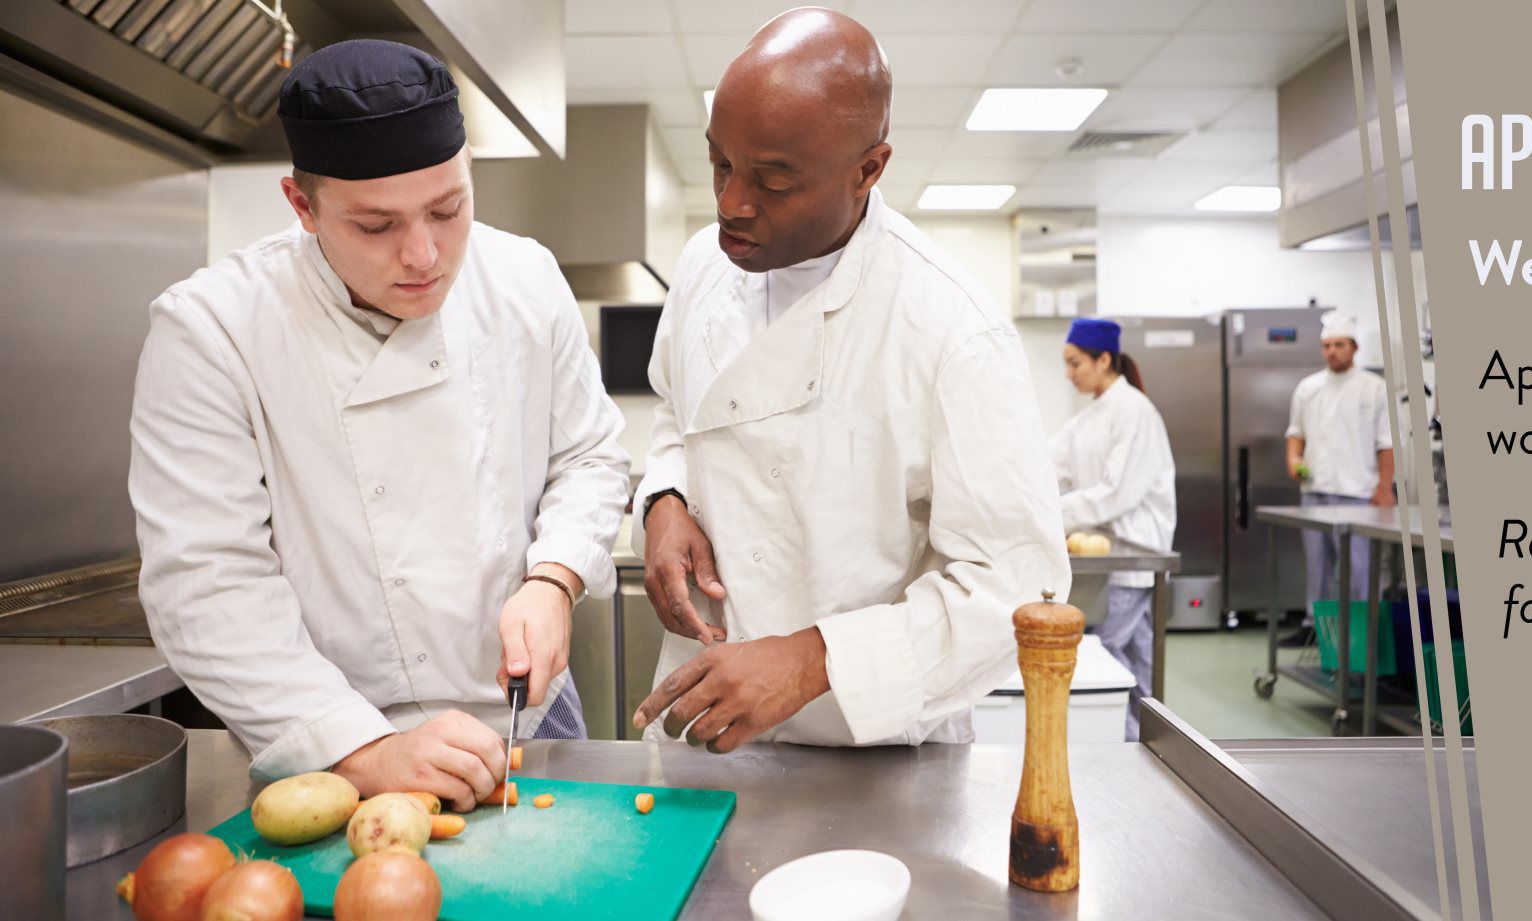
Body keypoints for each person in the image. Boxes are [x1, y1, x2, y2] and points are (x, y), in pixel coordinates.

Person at [128, 40, 628, 808]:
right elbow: (206, 580)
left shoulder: (524, 279)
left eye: (448, 208)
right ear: (302, 207)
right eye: (374, 226)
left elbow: (590, 455)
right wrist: (361, 749)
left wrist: (553, 577)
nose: (424, 254)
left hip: (531, 712)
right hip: (334, 733)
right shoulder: (213, 328)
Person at [630, 8, 1069, 752]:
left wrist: (813, 658)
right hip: (699, 727)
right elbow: (676, 408)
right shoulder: (708, 263)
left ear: (868, 170)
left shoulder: (952, 328)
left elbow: (1015, 588)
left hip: (872, 751)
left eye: (772, 179)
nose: (732, 202)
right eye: (719, 163)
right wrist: (666, 500)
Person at [1052, 318, 1177, 740]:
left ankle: (1124, 744)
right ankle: (1143, 741)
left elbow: (1115, 492)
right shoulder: (1090, 416)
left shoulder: (1134, 411)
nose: (1068, 375)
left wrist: (1052, 512)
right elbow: (1050, 463)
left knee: (1105, 654)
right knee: (1133, 657)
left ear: (1104, 360)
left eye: (1075, 364)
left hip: (1134, 551)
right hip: (1109, 553)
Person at [1286, 310, 1396, 624]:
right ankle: (1317, 629)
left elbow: (1386, 443)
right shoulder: (1308, 388)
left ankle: (1362, 634)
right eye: (1327, 346)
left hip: (1358, 495)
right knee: (1317, 568)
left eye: (1339, 345)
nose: (1332, 352)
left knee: (1359, 572)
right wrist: (1294, 461)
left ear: (1354, 348)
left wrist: (1384, 488)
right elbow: (1296, 434)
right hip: (1315, 492)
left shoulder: (1374, 388)